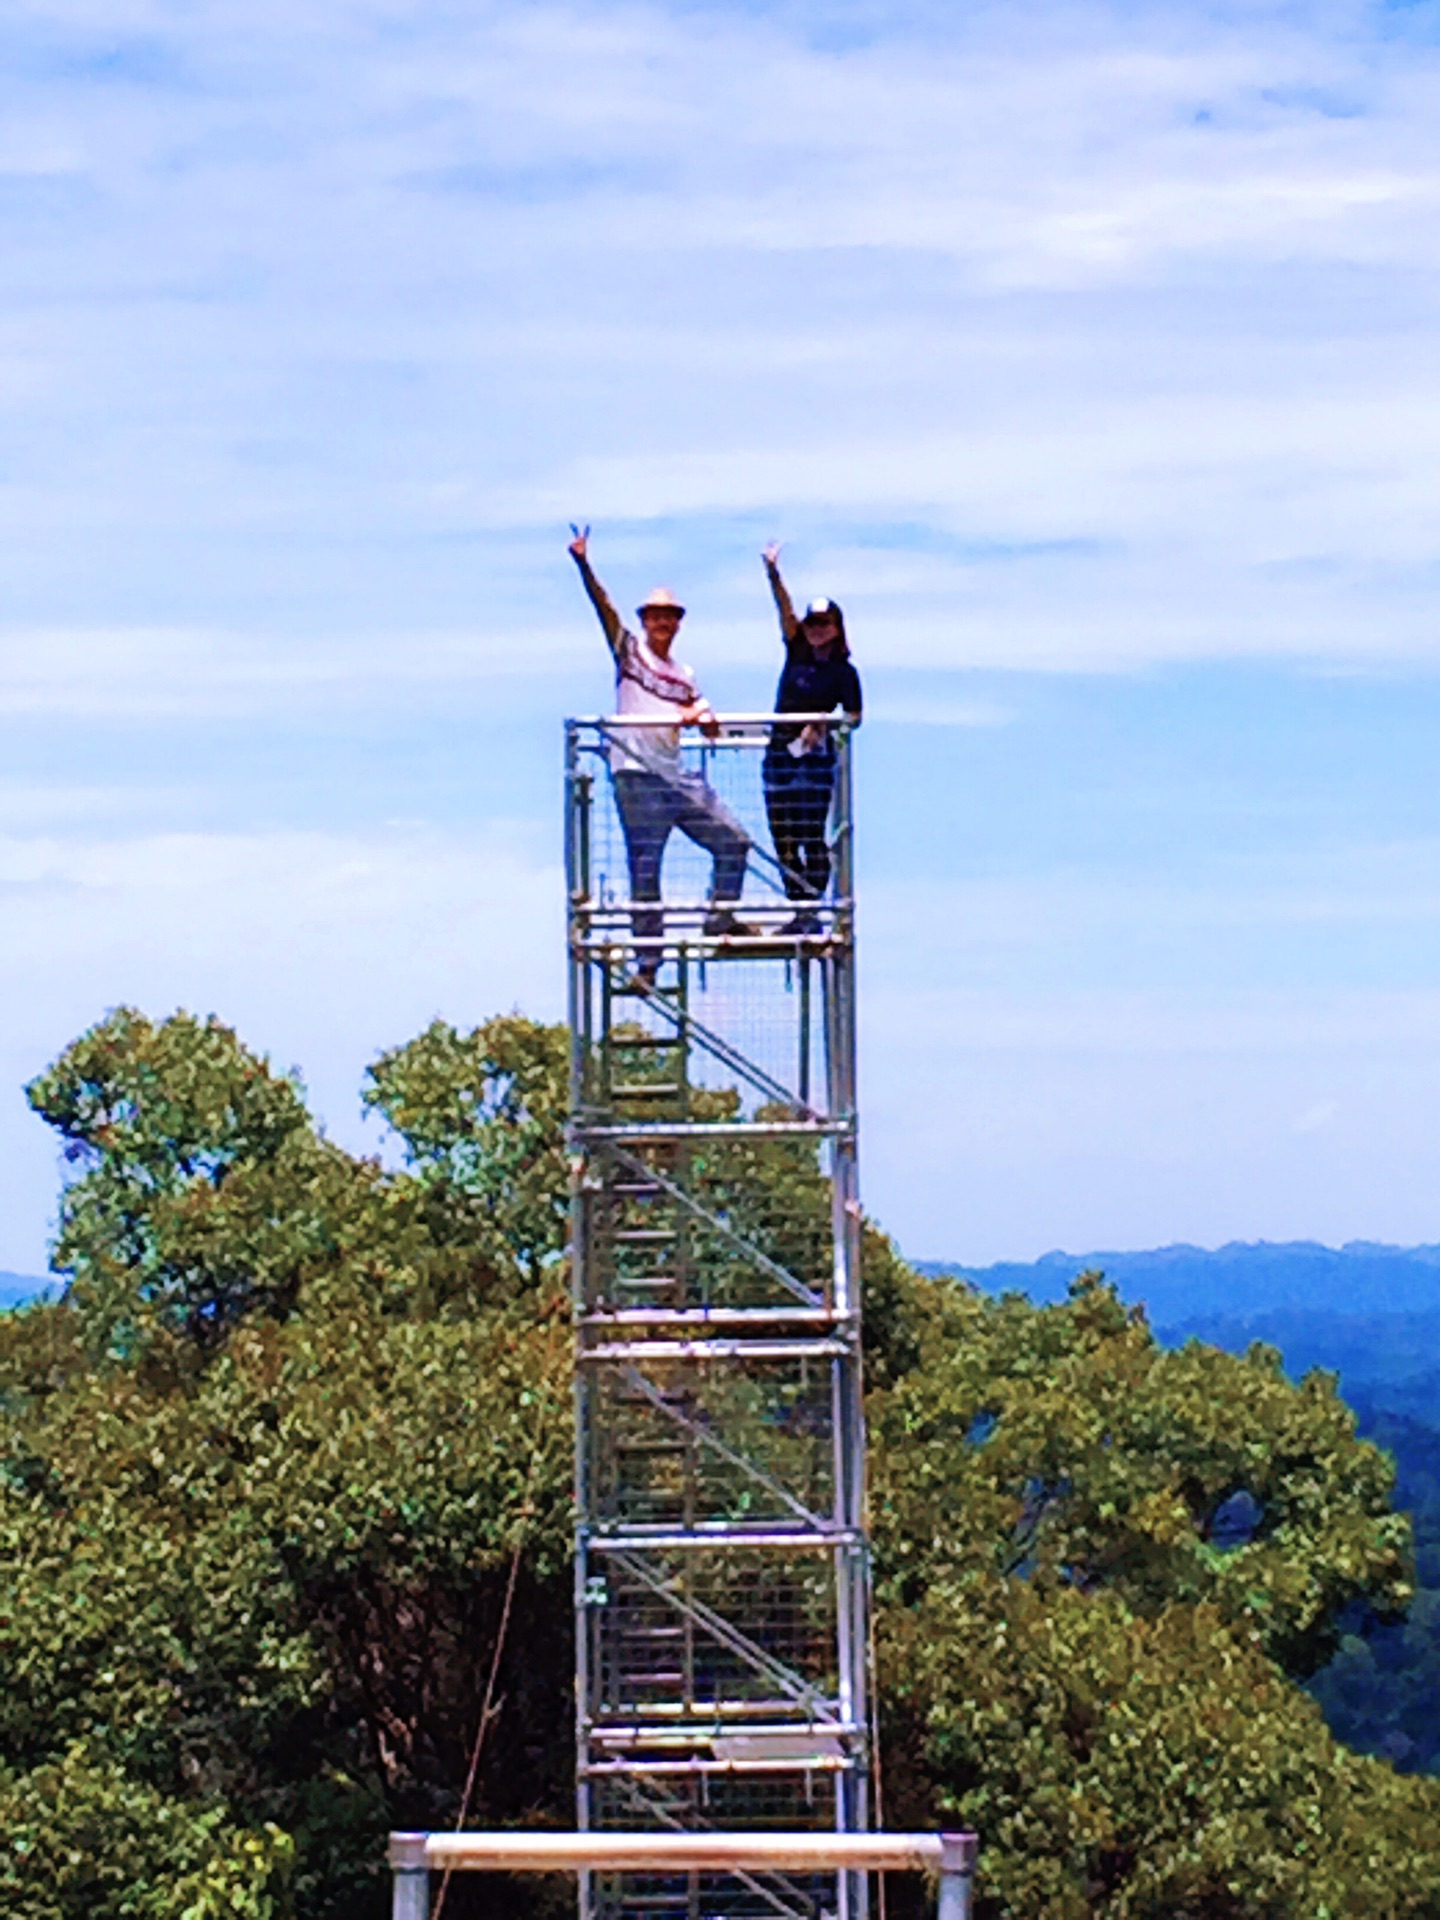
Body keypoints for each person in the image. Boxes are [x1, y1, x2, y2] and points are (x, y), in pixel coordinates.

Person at [569, 527, 753, 990]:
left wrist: (705, 718)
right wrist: (584, 565)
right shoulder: (630, 652)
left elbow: (701, 708)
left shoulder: (683, 672)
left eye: (669, 617)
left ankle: (720, 918)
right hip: (636, 773)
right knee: (646, 868)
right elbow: (604, 610)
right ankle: (649, 961)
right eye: (654, 616)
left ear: (678, 622)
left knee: (734, 841)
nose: (661, 623)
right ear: (645, 620)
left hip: (674, 774)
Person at [760, 543, 863, 934]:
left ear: (837, 629)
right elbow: (783, 611)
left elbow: (854, 715)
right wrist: (773, 573)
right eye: (813, 623)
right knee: (782, 837)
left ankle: (808, 909)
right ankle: (800, 910)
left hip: (814, 764)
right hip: (779, 758)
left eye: (825, 624)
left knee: (809, 834)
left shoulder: (843, 672)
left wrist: (825, 722)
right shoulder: (797, 652)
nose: (817, 630)